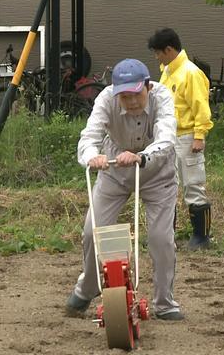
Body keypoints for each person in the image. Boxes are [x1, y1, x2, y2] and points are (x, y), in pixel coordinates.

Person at [65, 58, 184, 321]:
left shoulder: (162, 96)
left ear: (147, 88)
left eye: (136, 94)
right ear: (115, 92)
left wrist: (142, 156)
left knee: (160, 239)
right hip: (113, 170)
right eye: (124, 96)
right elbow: (90, 135)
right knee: (90, 232)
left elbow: (166, 136)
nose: (130, 102)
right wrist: (91, 157)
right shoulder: (105, 99)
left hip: (157, 172)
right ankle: (88, 288)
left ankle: (164, 303)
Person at [148, 28, 214, 250]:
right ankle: (168, 237)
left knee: (193, 185)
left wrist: (199, 136)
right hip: (167, 138)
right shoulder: (167, 71)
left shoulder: (190, 73)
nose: (157, 57)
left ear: (169, 50)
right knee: (166, 187)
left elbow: (201, 107)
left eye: (158, 53)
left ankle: (202, 237)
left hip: (187, 138)